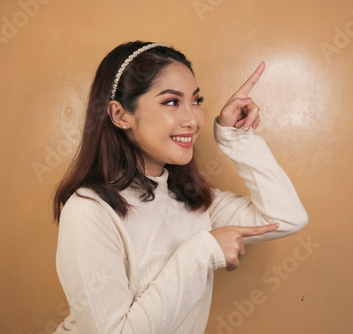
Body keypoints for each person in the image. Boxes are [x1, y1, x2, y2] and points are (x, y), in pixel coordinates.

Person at [52, 41, 309, 334]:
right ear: (121, 115)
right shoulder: (89, 211)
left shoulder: (194, 200)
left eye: (196, 101)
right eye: (172, 102)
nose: (193, 120)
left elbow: (287, 218)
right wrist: (202, 252)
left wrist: (235, 138)